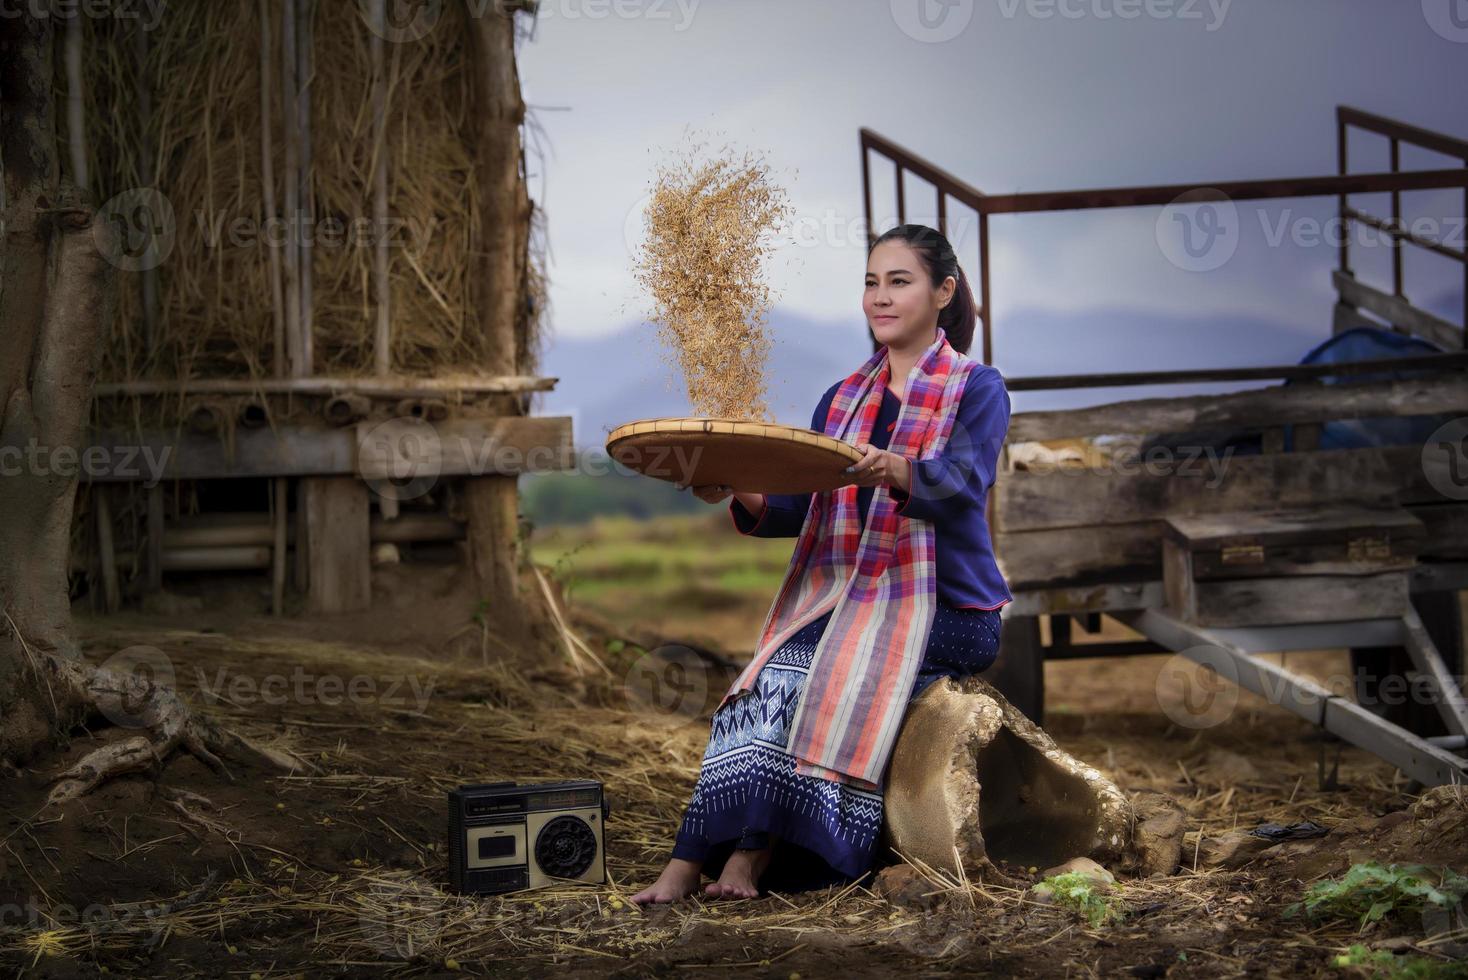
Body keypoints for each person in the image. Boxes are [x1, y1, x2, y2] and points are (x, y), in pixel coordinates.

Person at [629, 224, 1014, 905]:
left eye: (900, 281)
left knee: (811, 663)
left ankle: (747, 861)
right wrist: (735, 485)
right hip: (857, 599)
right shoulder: (841, 402)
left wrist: (894, 469)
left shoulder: (975, 389)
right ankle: (691, 859)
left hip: (951, 611)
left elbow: (962, 486)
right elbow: (803, 510)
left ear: (943, 291)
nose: (880, 297)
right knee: (759, 678)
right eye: (871, 282)